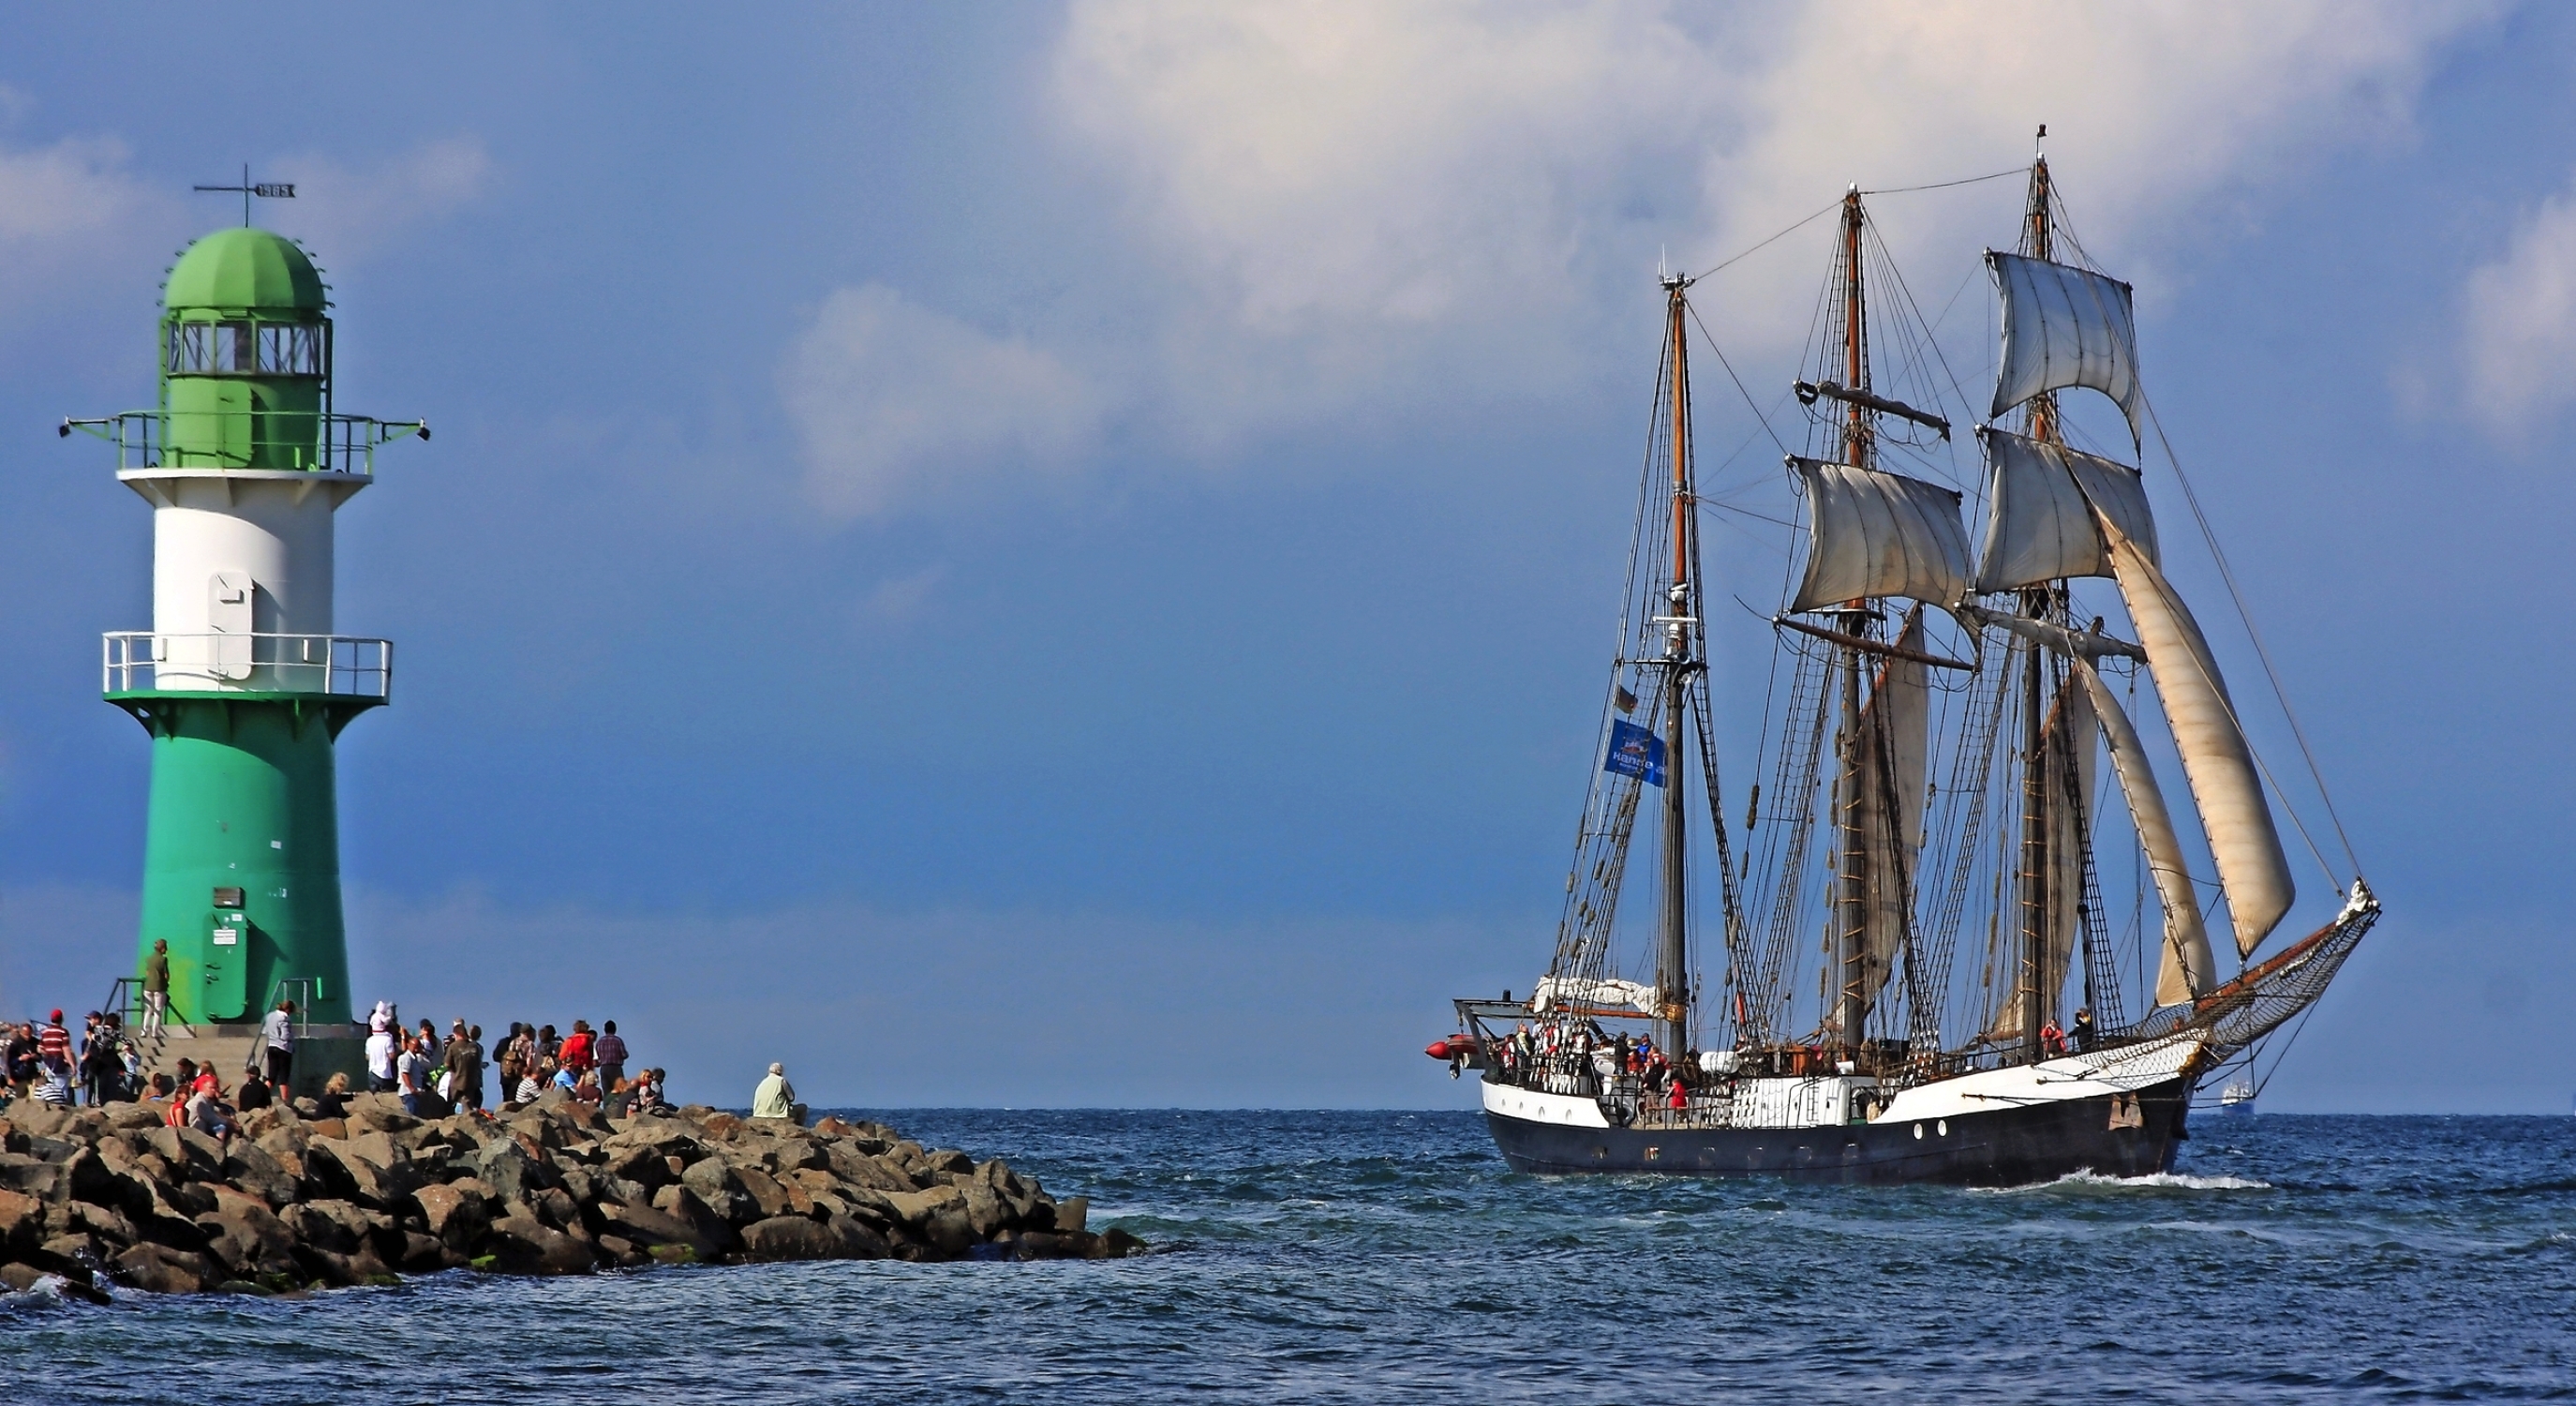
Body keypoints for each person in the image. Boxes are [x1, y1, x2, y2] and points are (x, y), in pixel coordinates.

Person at [261, 999, 297, 1092]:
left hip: (271, 1046)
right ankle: (285, 1100)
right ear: (288, 1010)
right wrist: (292, 1038)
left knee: (271, 1077)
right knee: (284, 1078)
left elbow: (265, 1031)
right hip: (283, 1048)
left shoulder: (269, 1016)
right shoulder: (284, 1018)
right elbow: (285, 1035)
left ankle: (260, 1096)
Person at [141, 939, 173, 1039]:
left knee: (148, 1010)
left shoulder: (149, 958)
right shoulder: (163, 959)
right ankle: (155, 1032)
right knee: (158, 1010)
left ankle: (144, 1031)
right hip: (159, 987)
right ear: (162, 948)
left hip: (148, 987)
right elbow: (166, 975)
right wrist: (166, 983)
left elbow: (147, 973)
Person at [395, 1034, 432, 1117]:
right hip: (408, 1093)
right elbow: (405, 1073)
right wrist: (412, 1089)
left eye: (418, 1047)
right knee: (411, 1116)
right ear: (408, 1045)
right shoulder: (406, 1058)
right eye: (414, 1046)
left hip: (415, 1093)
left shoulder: (415, 1059)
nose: (416, 1049)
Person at [365, 1012, 398, 1093]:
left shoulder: (369, 1040)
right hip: (384, 1073)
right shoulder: (387, 1039)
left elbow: (367, 1057)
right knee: (387, 1096)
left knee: (374, 1096)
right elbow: (391, 1056)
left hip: (372, 1072)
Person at [593, 1020, 628, 1094]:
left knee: (607, 1091)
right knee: (619, 1089)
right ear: (615, 1029)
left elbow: (596, 1058)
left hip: (604, 1068)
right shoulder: (618, 1040)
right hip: (616, 1067)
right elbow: (625, 1055)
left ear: (605, 1030)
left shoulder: (599, 1042)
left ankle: (608, 1104)